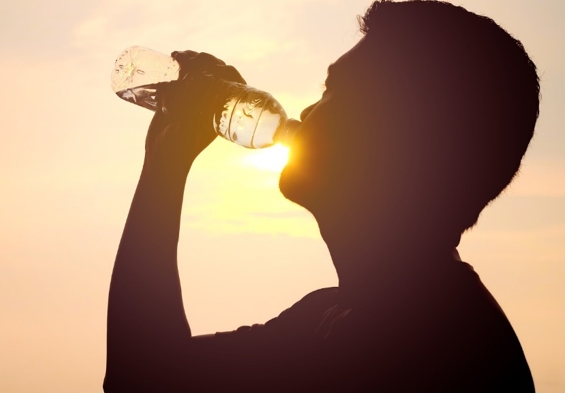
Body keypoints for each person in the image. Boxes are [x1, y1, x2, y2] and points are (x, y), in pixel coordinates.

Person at [104, 0, 540, 392]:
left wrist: (164, 167)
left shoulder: (441, 348)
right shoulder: (330, 316)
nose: (308, 110)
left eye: (335, 91)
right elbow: (143, 374)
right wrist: (165, 156)